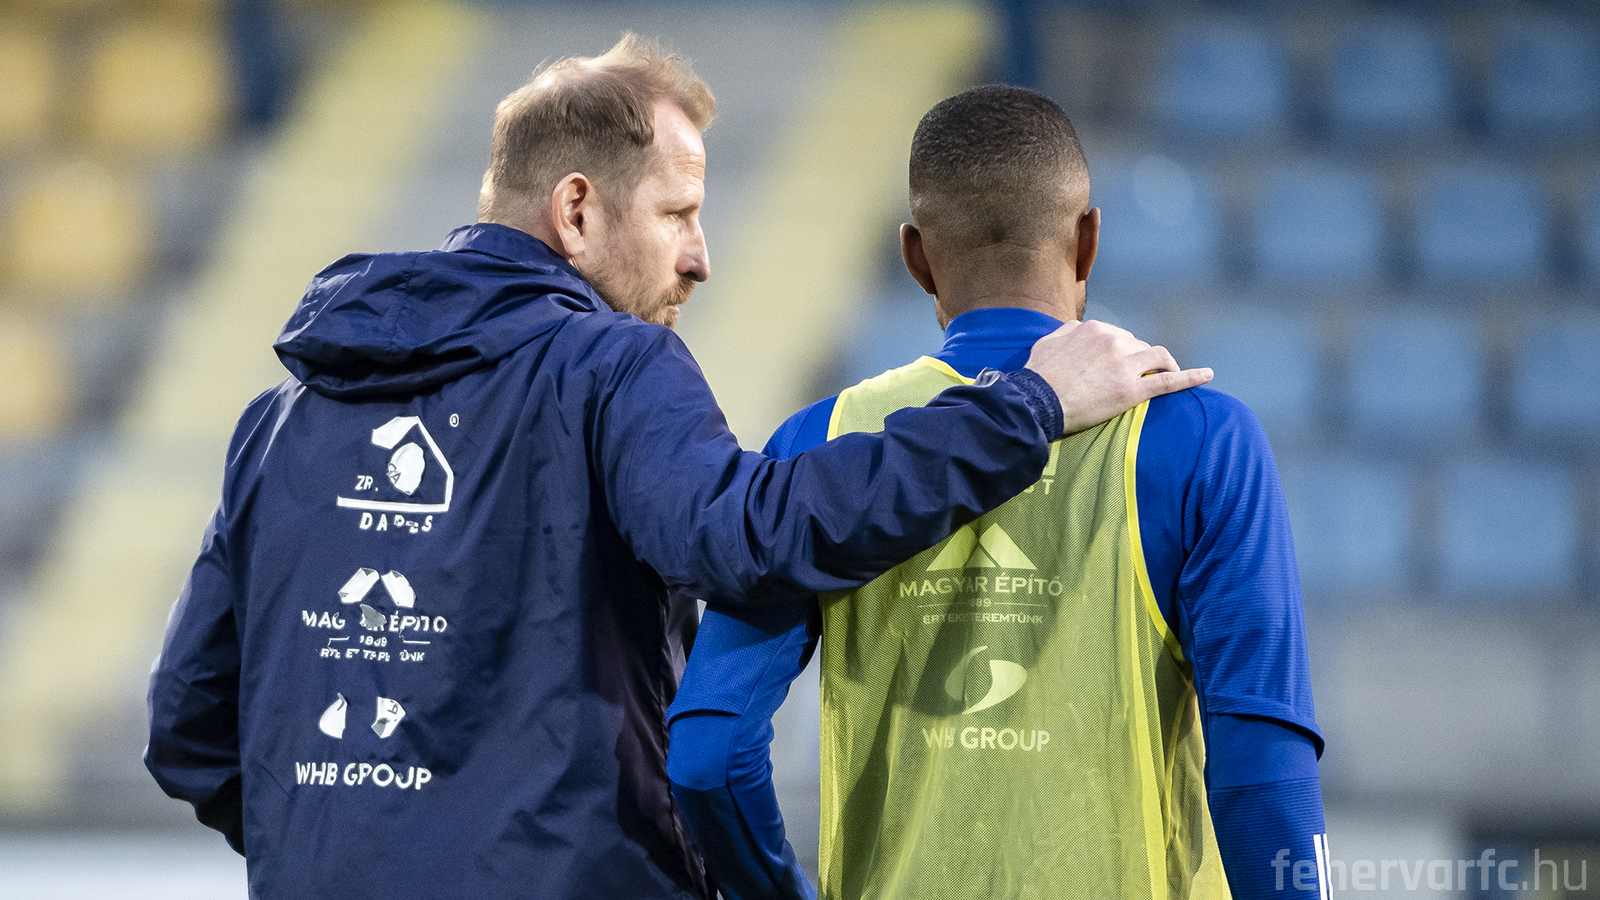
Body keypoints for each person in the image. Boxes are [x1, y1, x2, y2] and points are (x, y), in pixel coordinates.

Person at [143, 38, 1210, 900]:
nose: (700, 256)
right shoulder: (609, 365)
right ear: (575, 211)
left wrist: (354, 844)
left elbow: (189, 724)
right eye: (678, 214)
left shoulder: (280, 421)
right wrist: (1028, 407)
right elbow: (751, 538)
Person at [666, 85, 1327, 900]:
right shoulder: (1201, 437)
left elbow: (709, 755)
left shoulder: (819, 444)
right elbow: (1263, 776)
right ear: (1089, 241)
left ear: (915, 257)